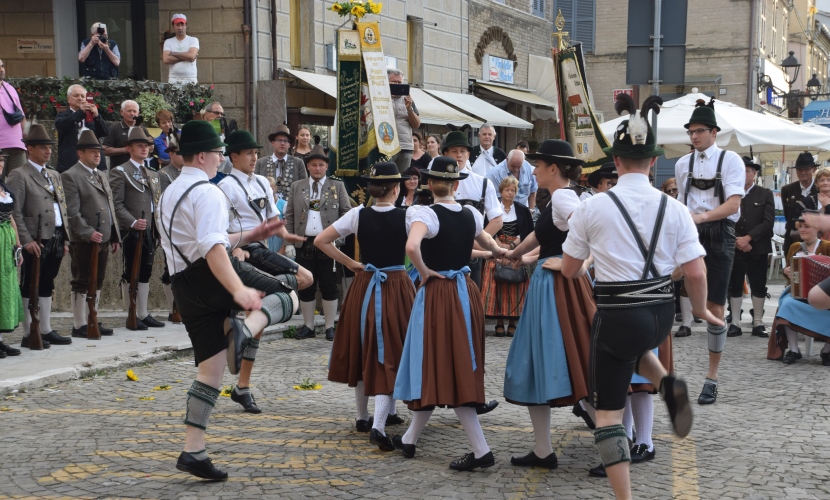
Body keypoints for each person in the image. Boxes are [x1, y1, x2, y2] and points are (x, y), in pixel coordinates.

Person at [562, 95, 713, 498]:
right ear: (651, 161)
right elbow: (696, 271)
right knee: (634, 346)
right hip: (661, 313)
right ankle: (667, 385)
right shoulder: (675, 207)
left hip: (616, 314)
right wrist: (700, 310)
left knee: (608, 415)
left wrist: (592, 257)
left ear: (616, 160)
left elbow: (570, 270)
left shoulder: (592, 207)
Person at [158, 120, 298, 481]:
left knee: (211, 371)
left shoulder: (170, 191)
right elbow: (212, 247)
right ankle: (246, 331)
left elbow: (204, 238)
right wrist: (239, 292)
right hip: (209, 276)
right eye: (218, 152)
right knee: (289, 293)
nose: (221, 158)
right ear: (203, 155)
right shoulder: (208, 192)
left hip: (183, 286)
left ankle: (193, 451)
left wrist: (252, 233)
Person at [392, 156, 507, 470]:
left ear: (431, 184)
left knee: (445, 364)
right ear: (457, 184)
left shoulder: (425, 214)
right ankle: (409, 440)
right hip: (466, 292)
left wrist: (425, 272)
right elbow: (490, 245)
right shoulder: (470, 213)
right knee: (444, 364)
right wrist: (510, 253)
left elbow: (412, 247)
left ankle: (481, 451)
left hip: (439, 294)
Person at [501, 140, 596, 470]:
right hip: (552, 283)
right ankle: (543, 450)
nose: (533, 170)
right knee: (564, 361)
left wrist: (577, 264)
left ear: (553, 168)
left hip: (558, 286)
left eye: (537, 165)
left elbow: (589, 232)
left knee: (566, 361)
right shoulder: (558, 197)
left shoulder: (564, 196)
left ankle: (614, 444)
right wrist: (514, 254)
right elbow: (542, 236)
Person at [316, 162, 415, 447]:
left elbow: (322, 240)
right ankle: (380, 424)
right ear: (396, 189)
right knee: (391, 351)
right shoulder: (407, 217)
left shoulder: (359, 213)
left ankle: (363, 416)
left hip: (365, 285)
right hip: (396, 286)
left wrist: (352, 264)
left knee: (363, 347)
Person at [217, 129, 311, 412]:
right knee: (257, 315)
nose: (255, 157)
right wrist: (234, 248)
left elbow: (273, 218)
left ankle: (242, 382)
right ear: (234, 156)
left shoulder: (260, 181)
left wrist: (286, 237)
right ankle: (242, 387)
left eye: (257, 153)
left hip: (261, 247)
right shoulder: (225, 187)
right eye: (249, 153)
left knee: (305, 277)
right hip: (240, 250)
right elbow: (221, 229)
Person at [675, 98, 744, 405]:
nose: (694, 136)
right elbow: (680, 202)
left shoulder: (731, 161)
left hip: (719, 233)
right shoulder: (681, 164)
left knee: (716, 308)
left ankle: (711, 378)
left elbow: (733, 205)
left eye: (700, 130)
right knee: (664, 288)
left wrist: (701, 217)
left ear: (714, 132)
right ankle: (660, 367)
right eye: (691, 131)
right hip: (689, 232)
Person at [7, 124, 73, 348]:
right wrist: (26, 240)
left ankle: (45, 328)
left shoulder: (54, 174)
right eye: (43, 147)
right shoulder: (20, 174)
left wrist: (65, 238)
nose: (47, 151)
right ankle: (29, 331)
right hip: (36, 237)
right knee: (30, 284)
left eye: (49, 147)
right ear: (30, 150)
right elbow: (15, 210)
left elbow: (61, 207)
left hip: (54, 234)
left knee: (47, 283)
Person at [284, 145, 351, 341]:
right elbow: (289, 216)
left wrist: (339, 236)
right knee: (306, 284)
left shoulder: (337, 186)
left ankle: (330, 326)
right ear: (308, 166)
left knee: (330, 284)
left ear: (326, 166)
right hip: (304, 242)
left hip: (328, 242)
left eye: (321, 165)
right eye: (314, 165)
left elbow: (346, 212)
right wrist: (289, 241)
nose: (318, 168)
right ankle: (308, 326)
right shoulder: (297, 186)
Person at [61, 129, 120, 338]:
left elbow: (110, 207)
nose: (98, 155)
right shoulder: (71, 176)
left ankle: (92, 316)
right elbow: (71, 212)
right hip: (84, 238)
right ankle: (79, 324)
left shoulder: (101, 175)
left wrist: (114, 235)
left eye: (99, 151)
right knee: (82, 279)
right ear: (80, 154)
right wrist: (87, 232)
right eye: (92, 151)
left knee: (98, 279)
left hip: (103, 236)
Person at [109, 127, 164, 330]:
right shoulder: (120, 172)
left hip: (149, 229)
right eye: (139, 145)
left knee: (146, 271)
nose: (144, 149)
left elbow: (156, 203)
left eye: (147, 146)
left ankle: (143, 312)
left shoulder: (151, 173)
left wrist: (157, 228)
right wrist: (132, 222)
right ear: (129, 148)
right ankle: (131, 311)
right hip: (132, 230)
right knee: (131, 270)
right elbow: (116, 203)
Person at [438, 130, 503, 289]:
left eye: (462, 151)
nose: (458, 155)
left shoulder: (483, 183)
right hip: (441, 252)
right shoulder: (435, 182)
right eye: (454, 151)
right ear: (445, 154)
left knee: (471, 300)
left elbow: (497, 220)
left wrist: (477, 241)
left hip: (473, 255)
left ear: (468, 154)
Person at [767, 215, 830, 365]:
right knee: (787, 304)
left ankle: (827, 350)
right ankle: (794, 350)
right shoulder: (795, 247)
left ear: (817, 228)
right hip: (797, 291)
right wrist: (787, 271)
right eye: (799, 226)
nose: (802, 229)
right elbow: (789, 274)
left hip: (824, 292)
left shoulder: (827, 246)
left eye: (806, 226)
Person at [726, 157, 774, 338]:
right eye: (740, 170)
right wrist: (739, 240)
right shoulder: (729, 193)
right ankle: (735, 323)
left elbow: (768, 222)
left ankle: (758, 322)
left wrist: (749, 238)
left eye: (747, 170)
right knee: (734, 285)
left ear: (754, 174)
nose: (744, 174)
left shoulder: (765, 193)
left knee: (759, 285)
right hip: (735, 245)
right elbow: (726, 219)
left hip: (758, 247)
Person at [481, 176, 533, 337]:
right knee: (497, 287)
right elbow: (486, 229)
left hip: (517, 249)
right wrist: (497, 247)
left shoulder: (522, 209)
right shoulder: (493, 209)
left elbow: (527, 232)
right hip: (495, 248)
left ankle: (512, 322)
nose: (510, 193)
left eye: (513, 190)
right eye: (507, 190)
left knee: (515, 285)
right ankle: (499, 322)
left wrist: (511, 247)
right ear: (501, 191)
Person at [55, 84, 109, 173]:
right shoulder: (62, 115)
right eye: (76, 96)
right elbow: (63, 125)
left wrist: (97, 116)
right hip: (70, 164)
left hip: (95, 166)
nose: (80, 98)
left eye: (83, 96)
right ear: (68, 99)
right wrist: (80, 113)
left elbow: (105, 132)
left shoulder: (91, 116)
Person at [0, 152, 23, 358]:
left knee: (6, 287)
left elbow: (11, 217)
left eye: (0, 161)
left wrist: (17, 245)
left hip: (5, 239)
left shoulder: (4, 188)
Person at [158, 139, 183, 322]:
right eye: (179, 152)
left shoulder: (187, 174)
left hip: (186, 228)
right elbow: (166, 203)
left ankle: (181, 306)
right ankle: (172, 307)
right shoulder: (164, 175)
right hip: (171, 227)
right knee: (170, 269)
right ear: (171, 154)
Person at [254, 125, 308, 202]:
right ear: (273, 142)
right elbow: (255, 187)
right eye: (279, 140)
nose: (282, 143)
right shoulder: (261, 163)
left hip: (291, 208)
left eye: (285, 141)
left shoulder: (298, 163)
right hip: (267, 207)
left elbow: (304, 188)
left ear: (289, 144)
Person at [782, 153, 819, 251]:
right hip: (793, 240)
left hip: (816, 242)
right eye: (799, 169)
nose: (802, 172)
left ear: (813, 169)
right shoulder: (787, 190)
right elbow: (788, 216)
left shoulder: (820, 189)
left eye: (806, 169)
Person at [387, 68, 420, 173]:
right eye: (393, 82)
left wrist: (409, 108)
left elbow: (416, 124)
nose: (397, 85)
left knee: (403, 180)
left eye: (399, 82)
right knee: (387, 179)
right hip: (387, 147)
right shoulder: (381, 98)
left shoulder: (407, 99)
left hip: (405, 147)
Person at [102, 100, 150, 170]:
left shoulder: (142, 130)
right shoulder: (114, 128)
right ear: (122, 112)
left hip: (140, 170)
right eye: (129, 111)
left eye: (134, 111)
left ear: (138, 113)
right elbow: (104, 150)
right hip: (119, 171)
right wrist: (126, 149)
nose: (132, 114)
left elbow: (151, 147)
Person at [0, 60, 27, 178]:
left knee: (18, 184)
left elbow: (21, 115)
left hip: (17, 145)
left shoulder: (10, 88)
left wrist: (27, 139)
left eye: (2, 66)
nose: (1, 70)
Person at [163, 13, 199, 84]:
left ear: (186, 25)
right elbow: (166, 59)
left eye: (182, 25)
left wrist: (173, 53)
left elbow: (191, 56)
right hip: (174, 79)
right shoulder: (168, 42)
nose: (180, 28)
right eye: (177, 25)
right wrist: (187, 57)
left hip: (190, 79)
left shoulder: (193, 40)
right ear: (173, 26)